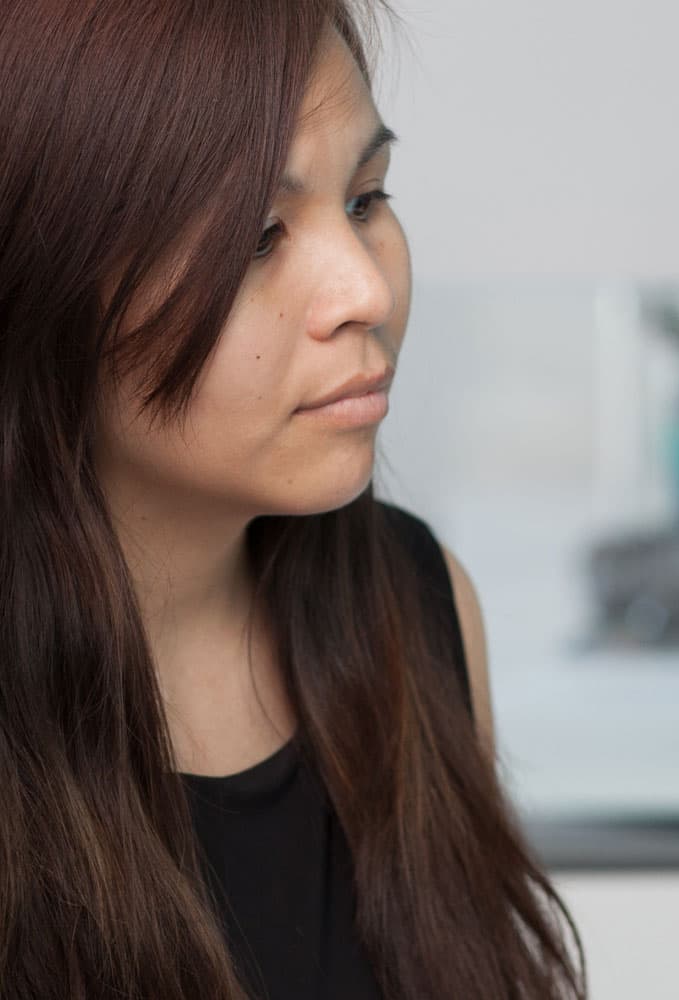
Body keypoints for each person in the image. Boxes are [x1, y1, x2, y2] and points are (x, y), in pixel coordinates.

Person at [0, 2, 584, 998]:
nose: (365, 288)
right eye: (261, 235)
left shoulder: (415, 600)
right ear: (46, 285)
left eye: (366, 200)